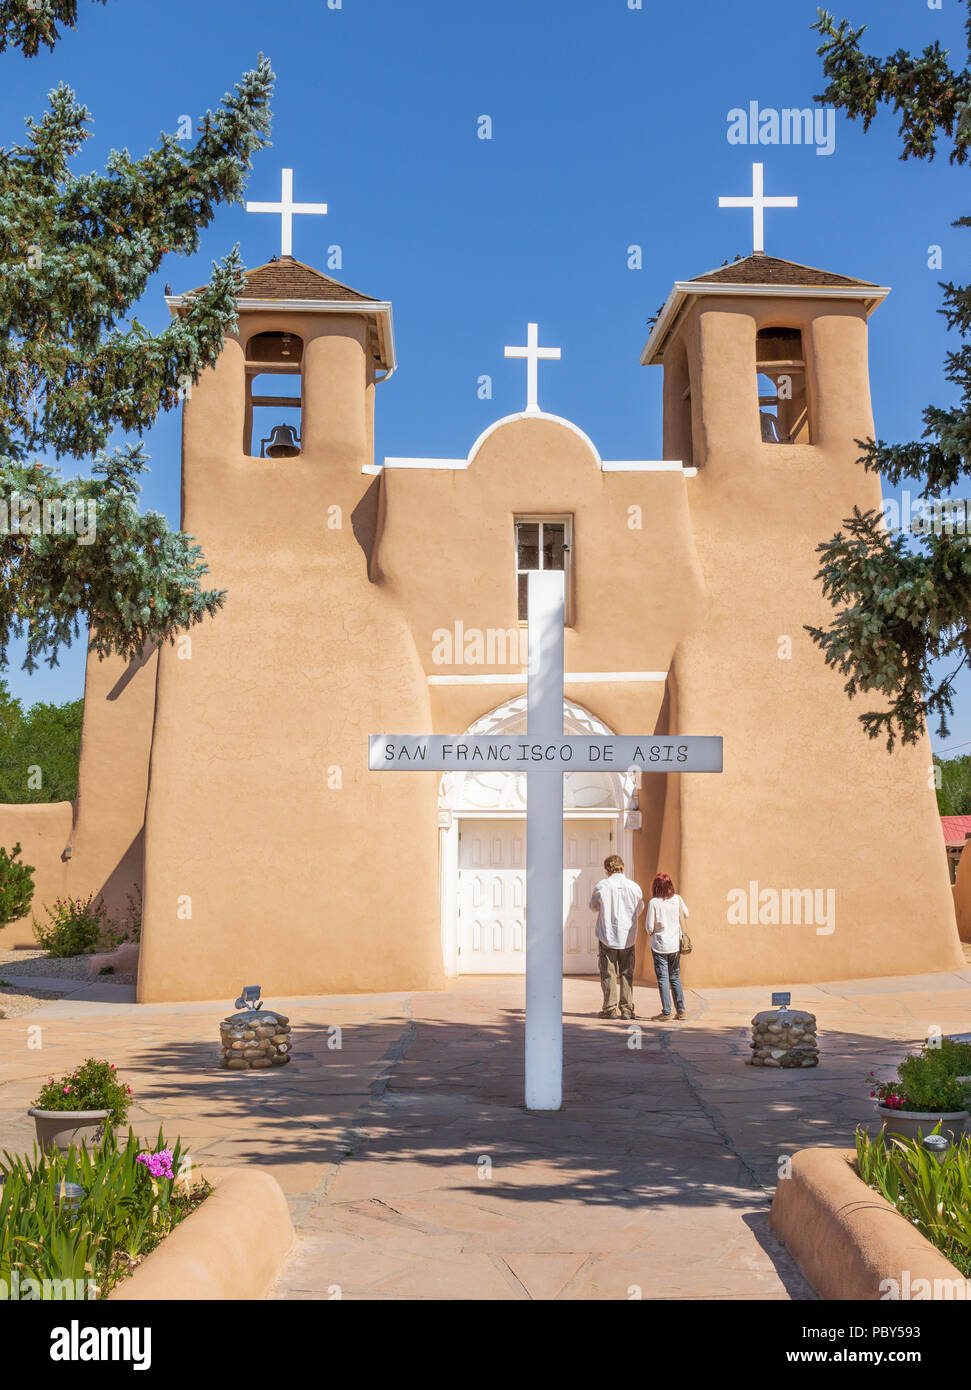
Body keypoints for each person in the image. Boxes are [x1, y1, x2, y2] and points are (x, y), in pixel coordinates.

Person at [589, 854, 644, 1020]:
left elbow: (593, 907)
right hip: (628, 936)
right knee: (627, 973)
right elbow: (639, 909)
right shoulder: (634, 887)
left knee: (608, 973)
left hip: (608, 935)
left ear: (607, 870)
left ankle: (610, 1007)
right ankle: (627, 1008)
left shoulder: (602, 886)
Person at [647, 872, 688, 1021]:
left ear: (656, 887)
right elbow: (686, 914)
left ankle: (666, 1012)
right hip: (675, 945)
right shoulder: (677, 899)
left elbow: (649, 927)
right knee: (675, 976)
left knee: (663, 978)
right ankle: (681, 1010)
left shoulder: (654, 903)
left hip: (659, 945)